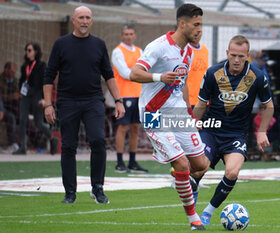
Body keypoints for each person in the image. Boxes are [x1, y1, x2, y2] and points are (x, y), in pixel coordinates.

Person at [130, 3, 209, 231]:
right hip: (154, 113)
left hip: (177, 113)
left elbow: (181, 84)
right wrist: (159, 77)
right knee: (183, 163)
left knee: (202, 164)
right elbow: (135, 73)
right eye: (196, 25)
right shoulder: (158, 46)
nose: (199, 30)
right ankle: (193, 219)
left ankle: (179, 176)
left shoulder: (189, 52)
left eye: (201, 25)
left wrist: (189, 112)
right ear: (182, 24)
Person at [43, 6, 125, 204]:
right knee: (69, 146)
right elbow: (49, 75)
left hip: (93, 101)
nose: (84, 21)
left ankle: (97, 188)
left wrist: (118, 101)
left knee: (98, 140)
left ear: (92, 21)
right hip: (67, 102)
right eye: (81, 17)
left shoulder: (98, 44)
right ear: (73, 20)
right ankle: (70, 193)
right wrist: (48, 105)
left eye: (88, 17)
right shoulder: (61, 44)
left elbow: (109, 75)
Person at [192, 35, 274, 225]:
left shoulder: (257, 77)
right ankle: (194, 188)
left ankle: (207, 212)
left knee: (232, 173)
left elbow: (268, 105)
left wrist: (262, 131)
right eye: (233, 55)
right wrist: (194, 121)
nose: (236, 60)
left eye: (241, 56)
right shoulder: (213, 73)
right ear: (227, 53)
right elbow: (202, 103)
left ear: (247, 56)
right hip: (211, 131)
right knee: (198, 168)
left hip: (236, 135)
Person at [111, 24, 148, 173]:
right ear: (122, 36)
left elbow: (146, 68)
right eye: (126, 34)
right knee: (122, 127)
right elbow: (125, 72)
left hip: (139, 94)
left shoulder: (140, 51)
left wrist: (140, 73)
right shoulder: (117, 51)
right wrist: (139, 73)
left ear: (135, 35)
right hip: (124, 94)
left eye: (131, 34)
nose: (128, 36)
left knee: (135, 128)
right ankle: (120, 161)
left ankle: (132, 161)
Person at [12, 43, 59, 155]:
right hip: (26, 95)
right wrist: (20, 91)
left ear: (35, 52)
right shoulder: (24, 66)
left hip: (37, 94)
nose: (27, 52)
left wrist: (44, 99)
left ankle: (52, 138)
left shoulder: (41, 65)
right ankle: (22, 146)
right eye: (26, 50)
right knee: (23, 119)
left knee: (38, 122)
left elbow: (45, 82)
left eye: (29, 50)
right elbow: (22, 80)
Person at [186, 31, 209, 107]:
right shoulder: (184, 50)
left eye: (199, 31)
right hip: (188, 101)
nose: (197, 33)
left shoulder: (205, 49)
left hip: (203, 101)